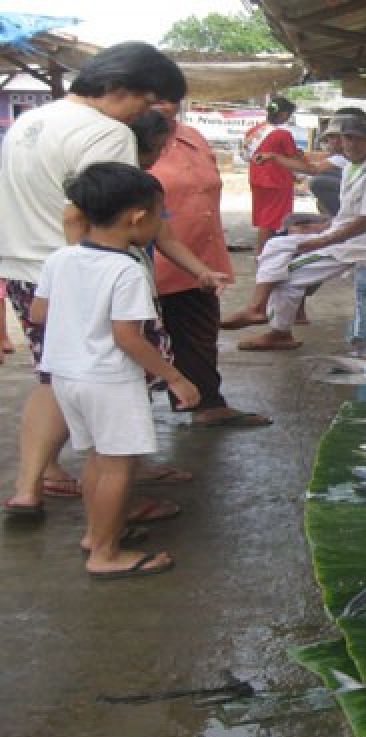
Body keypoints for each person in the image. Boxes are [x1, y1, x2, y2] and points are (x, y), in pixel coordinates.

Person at [0, 42, 223, 520]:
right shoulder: (105, 134)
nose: (146, 116)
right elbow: (112, 212)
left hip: (28, 269)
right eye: (147, 103)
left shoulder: (31, 121)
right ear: (119, 88)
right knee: (115, 386)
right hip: (86, 279)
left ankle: (32, 485)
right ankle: (117, 494)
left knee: (55, 377)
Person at [33, 162, 198, 577]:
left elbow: (38, 313)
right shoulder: (127, 269)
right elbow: (128, 336)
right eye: (161, 215)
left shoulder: (62, 257)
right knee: (119, 467)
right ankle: (105, 554)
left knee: (96, 460)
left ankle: (96, 534)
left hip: (67, 376)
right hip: (109, 379)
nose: (162, 223)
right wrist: (175, 378)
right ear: (137, 217)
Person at [222, 115, 366, 350]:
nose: (348, 145)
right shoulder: (359, 158)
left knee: (289, 274)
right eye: (346, 138)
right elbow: (349, 209)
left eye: (356, 140)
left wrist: (323, 240)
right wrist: (323, 227)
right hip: (348, 232)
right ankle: (257, 308)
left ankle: (279, 332)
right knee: (275, 245)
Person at [148, 99, 273, 428]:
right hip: (154, 260)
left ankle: (207, 402)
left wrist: (202, 268)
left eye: (170, 97)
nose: (163, 105)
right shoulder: (123, 139)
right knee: (144, 340)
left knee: (199, 334)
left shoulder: (192, 137)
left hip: (200, 255)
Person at [245, 95, 301, 256]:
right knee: (270, 220)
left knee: (264, 217)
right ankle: (263, 254)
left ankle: (263, 253)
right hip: (277, 180)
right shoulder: (282, 134)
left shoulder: (254, 131)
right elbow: (292, 158)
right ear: (283, 114)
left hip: (257, 178)